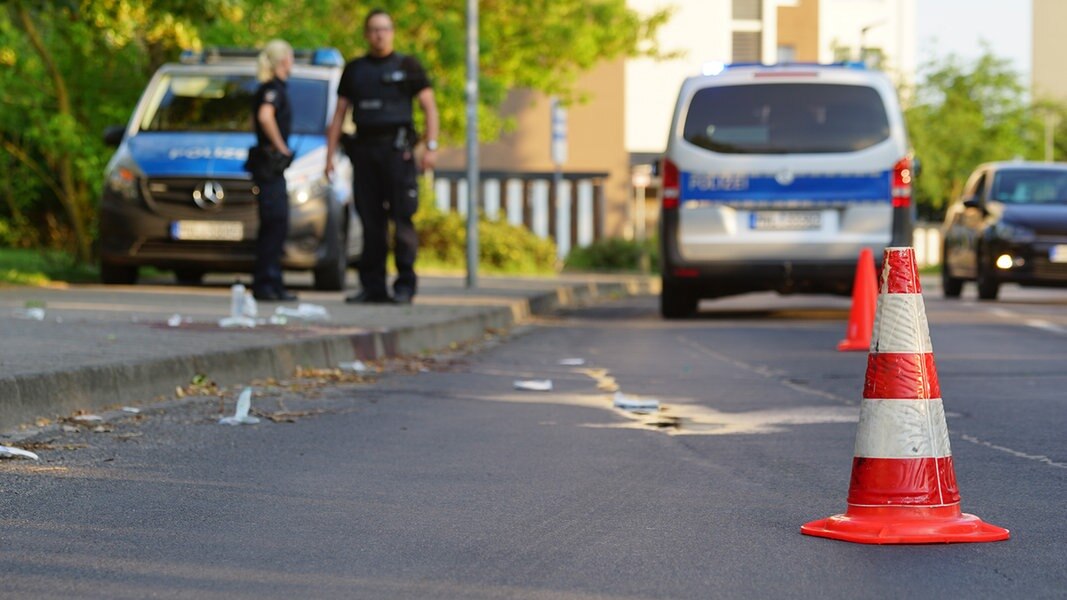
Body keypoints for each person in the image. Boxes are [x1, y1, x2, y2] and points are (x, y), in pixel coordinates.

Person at [326, 8, 439, 305]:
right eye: (374, 29)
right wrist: (329, 157)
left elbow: (429, 106)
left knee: (402, 221)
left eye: (385, 28)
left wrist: (431, 146)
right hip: (365, 152)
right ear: (366, 34)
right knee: (371, 223)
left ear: (392, 32)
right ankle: (372, 287)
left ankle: (404, 286)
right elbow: (339, 114)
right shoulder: (355, 70)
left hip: (397, 152)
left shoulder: (408, 65)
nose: (379, 34)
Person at [247, 39, 297, 302]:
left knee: (277, 225)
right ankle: (266, 283)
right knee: (274, 224)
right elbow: (265, 116)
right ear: (283, 60)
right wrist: (281, 147)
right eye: (290, 56)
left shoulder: (272, 88)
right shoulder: (272, 90)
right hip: (269, 167)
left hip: (269, 168)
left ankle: (273, 282)